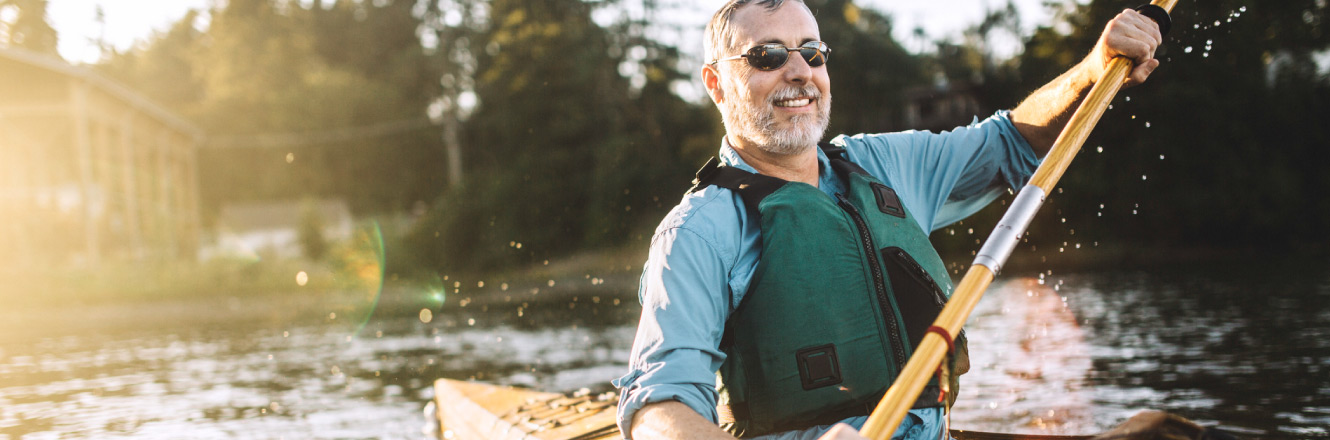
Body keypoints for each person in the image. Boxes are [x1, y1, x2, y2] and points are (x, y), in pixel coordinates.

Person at [613, 1, 1164, 439]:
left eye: (813, 53)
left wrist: (1094, 68)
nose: (799, 72)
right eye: (767, 56)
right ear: (715, 84)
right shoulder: (698, 231)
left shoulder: (882, 164)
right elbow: (657, 410)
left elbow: (1015, 142)